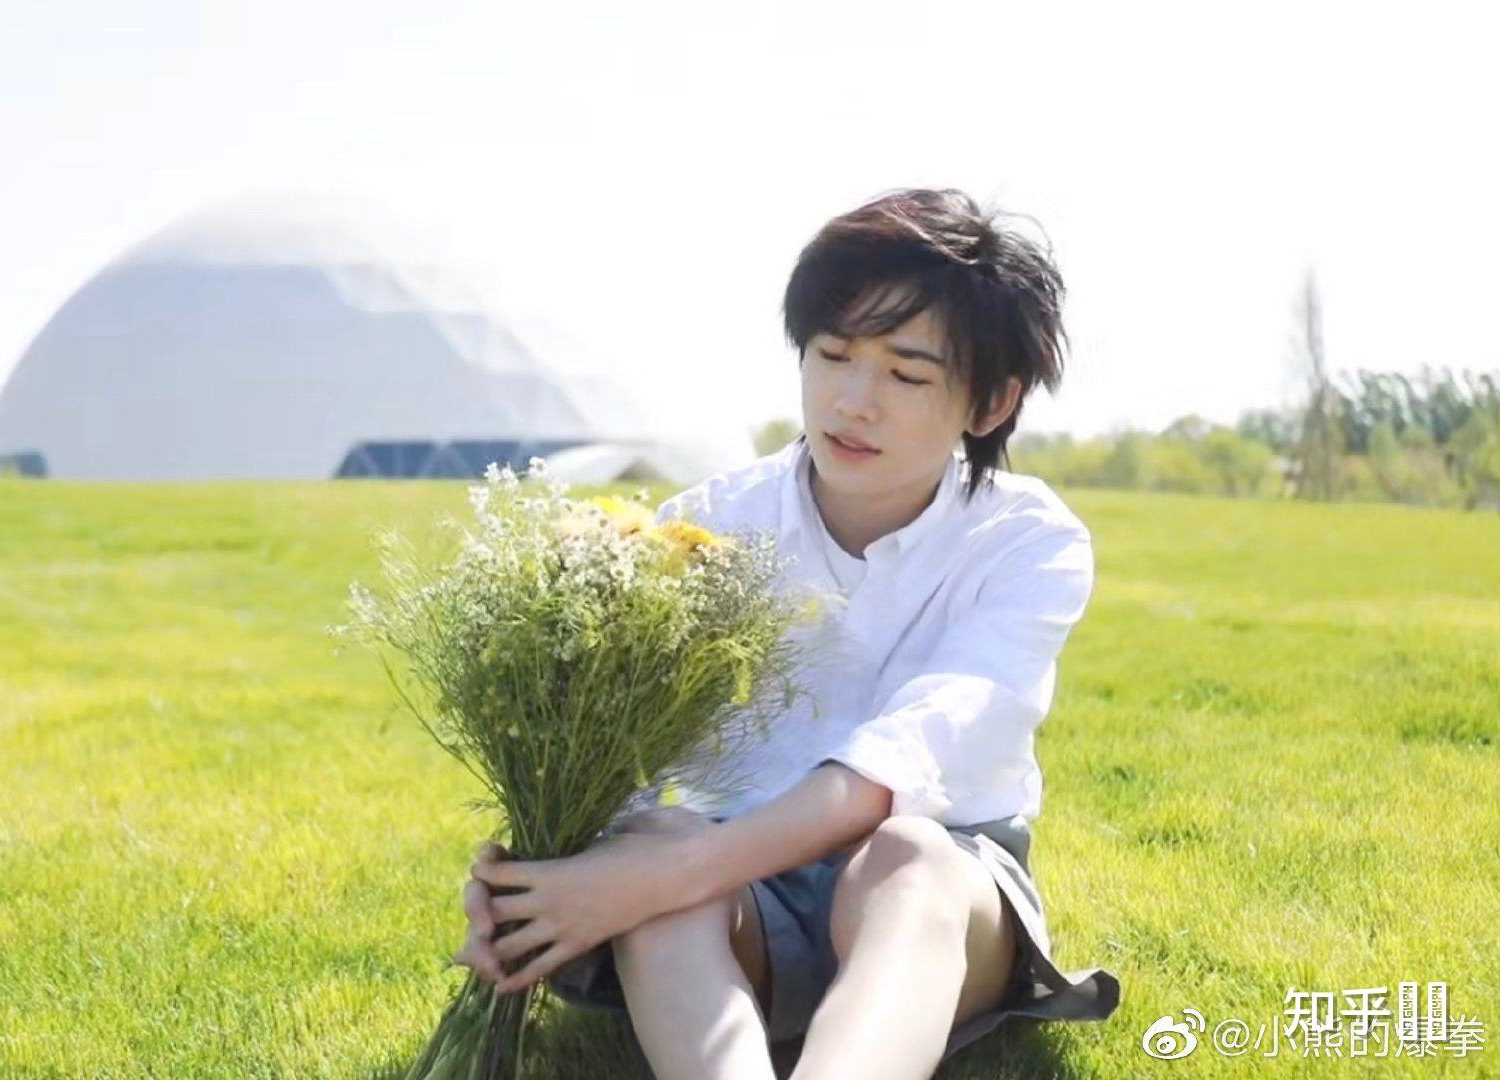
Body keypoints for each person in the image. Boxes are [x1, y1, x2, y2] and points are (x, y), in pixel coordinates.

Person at [452, 187, 1121, 1078]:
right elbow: (612, 760)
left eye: (907, 375)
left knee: (905, 857)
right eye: (832, 355)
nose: (854, 401)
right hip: (737, 904)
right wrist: (534, 878)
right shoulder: (707, 528)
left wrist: (664, 873)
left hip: (935, 896)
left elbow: (897, 767)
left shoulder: (1027, 543)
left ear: (991, 403)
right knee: (654, 842)